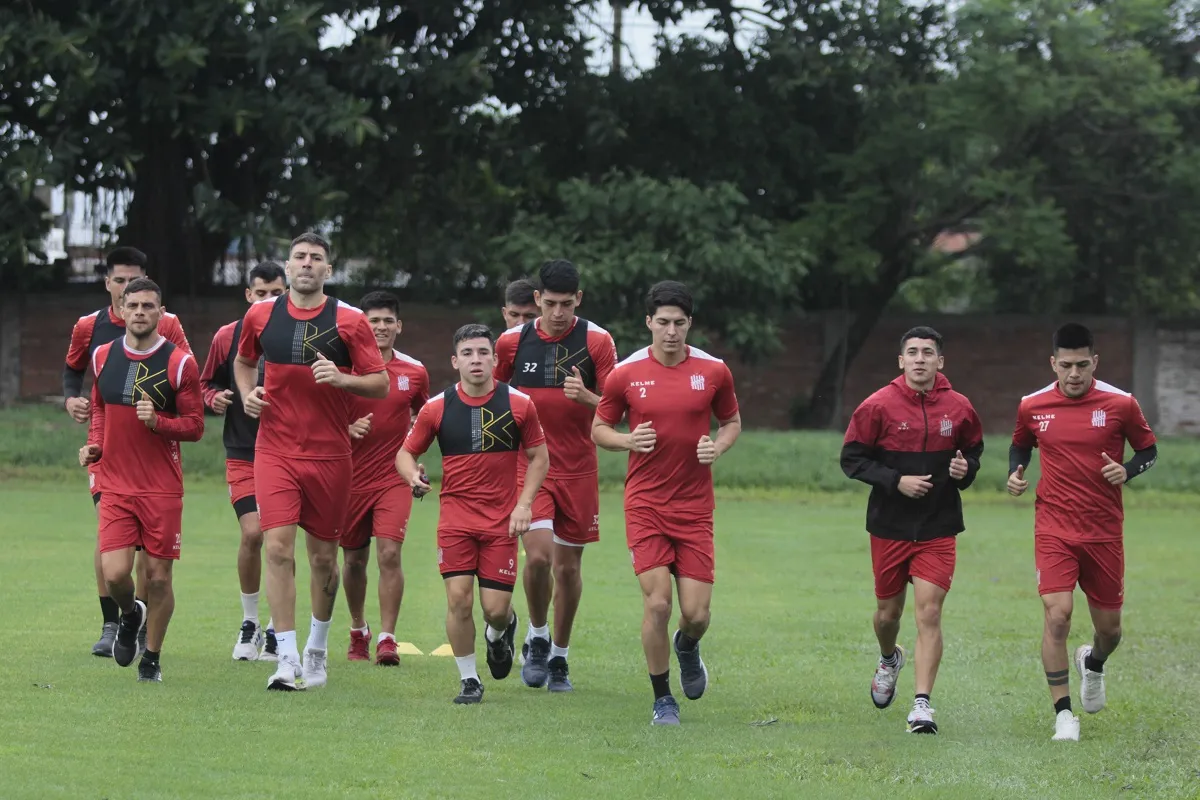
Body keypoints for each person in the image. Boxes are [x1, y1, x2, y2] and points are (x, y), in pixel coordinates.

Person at [234, 232, 388, 691]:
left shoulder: (350, 320)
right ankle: (285, 657)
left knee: (323, 560)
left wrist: (342, 379)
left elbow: (379, 383)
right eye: (299, 257)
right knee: (277, 549)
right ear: (287, 266)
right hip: (274, 450)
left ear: (328, 269)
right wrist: (248, 394)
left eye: (315, 258)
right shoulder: (261, 314)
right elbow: (243, 363)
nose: (306, 264)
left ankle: (316, 650)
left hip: (329, 455)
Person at [591, 281, 742, 726]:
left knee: (695, 614)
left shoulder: (714, 371)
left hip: (694, 507)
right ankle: (663, 699)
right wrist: (626, 440)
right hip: (646, 505)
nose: (671, 331)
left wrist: (719, 446)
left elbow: (731, 421)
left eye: (679, 323)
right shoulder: (626, 373)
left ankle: (688, 646)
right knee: (657, 604)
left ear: (689, 323)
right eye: (663, 323)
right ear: (648, 323)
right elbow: (599, 428)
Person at [1007, 322, 1158, 742]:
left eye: (1082, 365)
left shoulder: (1121, 403)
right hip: (1053, 527)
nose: (1074, 374)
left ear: (1095, 362)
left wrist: (1125, 470)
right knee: (1057, 615)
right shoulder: (1032, 405)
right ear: (1053, 363)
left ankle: (1092, 662)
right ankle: (1063, 715)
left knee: (1110, 631)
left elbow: (1149, 449)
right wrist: (1015, 472)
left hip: (1104, 531)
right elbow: (1021, 444)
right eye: (1066, 365)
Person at [839, 326, 985, 735]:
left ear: (941, 361)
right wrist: (895, 480)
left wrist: (965, 470)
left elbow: (973, 450)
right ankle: (889, 658)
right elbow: (852, 459)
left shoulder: (959, 407)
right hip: (889, 527)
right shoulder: (877, 406)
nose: (920, 359)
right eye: (913, 353)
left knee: (930, 612)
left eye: (928, 353)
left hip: (939, 527)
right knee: (888, 615)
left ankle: (922, 706)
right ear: (901, 361)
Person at [397, 323, 550, 704]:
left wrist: (524, 504)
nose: (476, 360)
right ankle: (469, 679)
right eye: (468, 354)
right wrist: (412, 475)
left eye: (483, 352)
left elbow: (539, 458)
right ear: (455, 361)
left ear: (496, 360)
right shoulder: (437, 408)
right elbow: (405, 453)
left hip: (501, 522)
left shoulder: (519, 404)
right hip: (456, 521)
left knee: (495, 610)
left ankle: (501, 632)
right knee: (459, 600)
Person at [494, 259, 619, 691]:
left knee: (567, 569)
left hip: (579, 470)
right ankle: (538, 635)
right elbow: (488, 399)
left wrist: (587, 397)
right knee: (541, 556)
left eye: (567, 304)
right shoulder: (512, 343)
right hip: (529, 467)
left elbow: (617, 408)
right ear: (537, 300)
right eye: (550, 304)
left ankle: (560, 659)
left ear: (578, 300)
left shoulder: (598, 341)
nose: (559, 312)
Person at [63, 246, 192, 658]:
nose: (135, 306)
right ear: (111, 290)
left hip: (158, 473)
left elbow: (191, 408)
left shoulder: (173, 343)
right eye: (122, 288)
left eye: (144, 302)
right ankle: (118, 618)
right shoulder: (94, 337)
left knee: (155, 569)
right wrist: (91, 436)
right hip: (112, 465)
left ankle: (146, 645)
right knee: (114, 559)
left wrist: (160, 421)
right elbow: (85, 385)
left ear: (159, 309)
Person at [199, 261, 287, 661]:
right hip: (243, 451)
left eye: (276, 292)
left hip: (290, 453)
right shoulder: (227, 336)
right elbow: (206, 383)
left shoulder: (302, 335)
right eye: (261, 292)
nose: (269, 299)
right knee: (253, 534)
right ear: (248, 296)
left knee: (280, 544)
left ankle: (276, 629)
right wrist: (213, 399)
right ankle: (250, 621)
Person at [341, 291, 430, 665]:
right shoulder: (343, 369)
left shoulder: (415, 371)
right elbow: (317, 419)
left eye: (387, 320)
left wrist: (414, 464)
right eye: (373, 320)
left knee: (390, 553)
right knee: (354, 561)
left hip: (393, 478)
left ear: (399, 326)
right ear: (362, 325)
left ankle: (388, 639)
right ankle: (359, 630)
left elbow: (427, 421)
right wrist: (346, 429)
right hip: (346, 478)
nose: (380, 327)